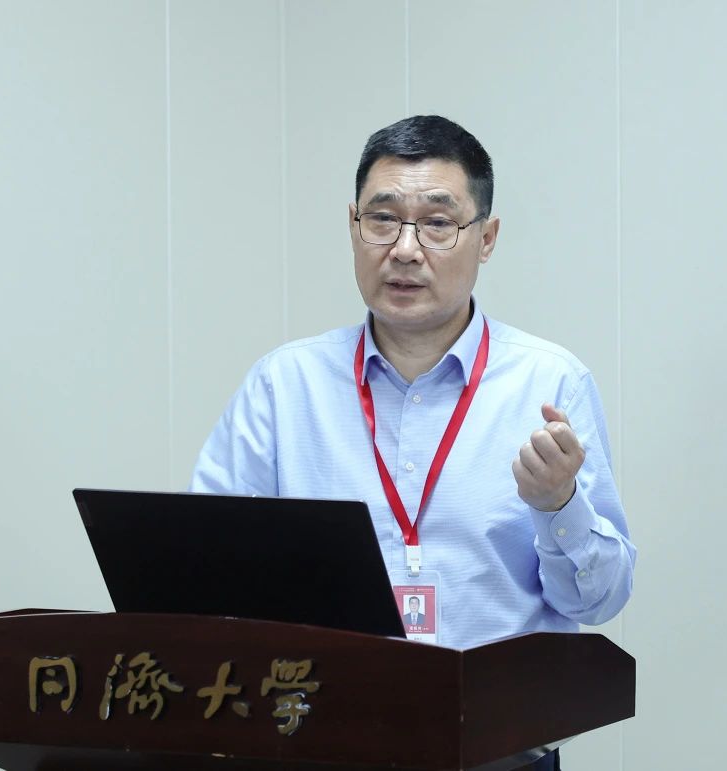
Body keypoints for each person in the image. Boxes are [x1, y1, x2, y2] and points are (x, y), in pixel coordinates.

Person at [190, 116, 634, 771]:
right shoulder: (284, 386)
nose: (404, 248)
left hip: (500, 755)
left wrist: (558, 504)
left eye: (437, 223)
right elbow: (200, 576)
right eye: (383, 219)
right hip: (319, 747)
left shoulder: (549, 383)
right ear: (353, 226)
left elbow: (600, 601)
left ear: (486, 238)